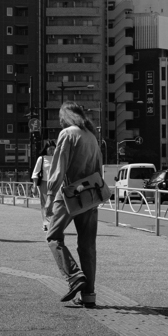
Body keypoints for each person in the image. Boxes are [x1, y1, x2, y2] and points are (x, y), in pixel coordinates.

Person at [46, 101, 103, 308]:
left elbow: (59, 168)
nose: (60, 120)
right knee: (87, 245)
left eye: (61, 116)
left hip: (69, 194)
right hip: (89, 195)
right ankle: (89, 295)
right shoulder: (91, 136)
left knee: (53, 236)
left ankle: (74, 275)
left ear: (67, 116)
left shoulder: (67, 134)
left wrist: (50, 197)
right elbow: (99, 169)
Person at [31, 141, 55, 231]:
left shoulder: (57, 158)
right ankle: (45, 224)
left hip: (55, 183)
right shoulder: (41, 159)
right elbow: (35, 174)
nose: (52, 150)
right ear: (46, 149)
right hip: (44, 183)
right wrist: (34, 186)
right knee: (45, 204)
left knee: (55, 204)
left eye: (53, 148)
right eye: (50, 149)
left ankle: (53, 224)